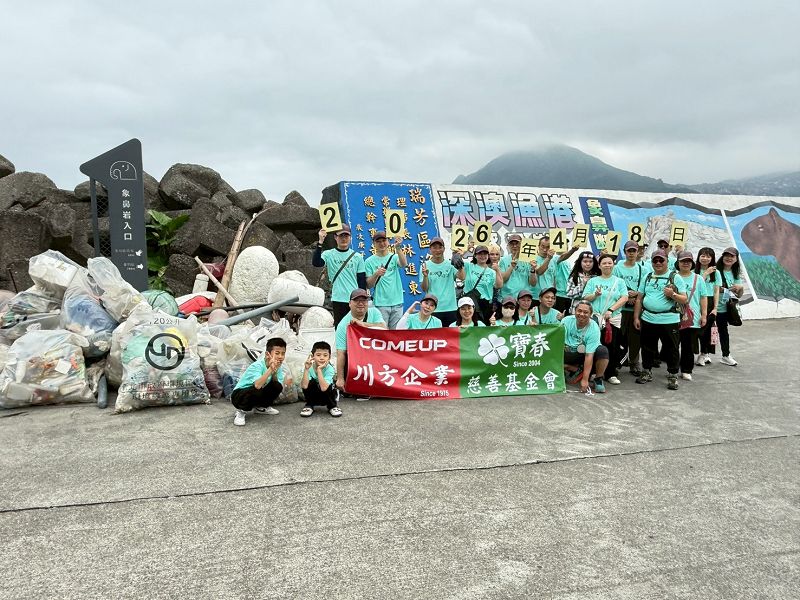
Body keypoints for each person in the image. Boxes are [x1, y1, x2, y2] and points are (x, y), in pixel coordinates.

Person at [633, 249, 689, 390]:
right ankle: (646, 371)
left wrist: (673, 294)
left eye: (661, 260)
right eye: (655, 260)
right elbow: (639, 298)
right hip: (648, 318)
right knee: (647, 347)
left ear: (667, 261)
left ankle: (672, 374)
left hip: (669, 319)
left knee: (672, 349)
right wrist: (636, 317)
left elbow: (684, 298)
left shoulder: (675, 277)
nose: (658, 263)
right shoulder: (647, 276)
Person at [582, 253, 629, 384]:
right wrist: (595, 295)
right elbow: (585, 297)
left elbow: (624, 297)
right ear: (599, 266)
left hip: (612, 319)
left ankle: (611, 373)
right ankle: (594, 372)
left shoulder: (619, 281)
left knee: (612, 346)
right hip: (596, 319)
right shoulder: (593, 281)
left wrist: (611, 310)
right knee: (595, 345)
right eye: (604, 263)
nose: (607, 265)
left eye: (610, 262)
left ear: (613, 264)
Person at [231, 337, 293, 427]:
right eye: (277, 353)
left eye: (283, 354)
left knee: (277, 386)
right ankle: (240, 412)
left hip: (256, 390)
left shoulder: (278, 365)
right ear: (268, 354)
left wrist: (274, 372)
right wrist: (270, 370)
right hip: (239, 395)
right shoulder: (257, 366)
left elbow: (276, 383)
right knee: (257, 389)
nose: (280, 356)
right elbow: (257, 385)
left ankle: (261, 408)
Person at [314, 225, 367, 326]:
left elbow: (361, 281)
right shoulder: (329, 254)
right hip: (338, 298)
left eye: (346, 236)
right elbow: (317, 263)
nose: (344, 239)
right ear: (335, 237)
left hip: (355, 299)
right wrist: (320, 242)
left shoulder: (357, 257)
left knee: (356, 328)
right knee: (340, 328)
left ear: (350, 237)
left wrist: (363, 300)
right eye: (341, 236)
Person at [335, 289, 387, 393]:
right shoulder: (342, 325)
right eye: (356, 300)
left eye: (364, 300)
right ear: (350, 304)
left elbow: (384, 328)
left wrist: (363, 325)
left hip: (376, 356)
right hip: (357, 362)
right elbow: (341, 353)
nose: (361, 303)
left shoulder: (374, 312)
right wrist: (340, 378)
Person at [614, 240, 650, 376]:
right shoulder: (617, 268)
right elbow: (615, 285)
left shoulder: (644, 270)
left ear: (638, 252)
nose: (631, 253)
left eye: (634, 250)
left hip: (636, 309)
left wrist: (636, 297)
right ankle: (616, 362)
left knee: (635, 338)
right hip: (620, 308)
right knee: (618, 338)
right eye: (629, 250)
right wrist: (626, 297)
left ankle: (634, 364)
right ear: (625, 252)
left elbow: (645, 289)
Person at [562, 301, 610, 393]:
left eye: (586, 312)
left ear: (590, 314)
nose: (582, 314)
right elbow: (558, 342)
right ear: (574, 311)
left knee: (602, 351)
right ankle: (569, 368)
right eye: (579, 311)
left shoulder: (594, 328)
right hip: (567, 352)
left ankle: (598, 379)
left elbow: (589, 355)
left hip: (583, 355)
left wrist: (585, 380)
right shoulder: (566, 321)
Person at [364, 230, 408, 329]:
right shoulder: (369, 261)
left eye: (384, 240)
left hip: (397, 303)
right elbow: (369, 285)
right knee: (381, 333)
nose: (382, 243)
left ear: (388, 241)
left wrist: (398, 248)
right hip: (380, 304)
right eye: (378, 241)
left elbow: (404, 264)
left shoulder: (394, 257)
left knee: (395, 334)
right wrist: (376, 274)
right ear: (374, 244)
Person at [675, 251, 707, 380]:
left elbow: (703, 297)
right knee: (673, 345)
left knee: (688, 345)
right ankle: (673, 368)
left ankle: (686, 369)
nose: (686, 263)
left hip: (691, 317)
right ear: (678, 263)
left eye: (688, 261)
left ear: (692, 263)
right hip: (674, 316)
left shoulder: (698, 278)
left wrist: (704, 315)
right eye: (683, 261)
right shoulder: (673, 277)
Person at [420, 236, 465, 327]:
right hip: (433, 308)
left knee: (451, 338)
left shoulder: (450, 264)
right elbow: (424, 288)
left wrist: (460, 264)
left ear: (444, 249)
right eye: (434, 248)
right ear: (430, 250)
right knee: (434, 338)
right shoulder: (425, 265)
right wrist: (425, 276)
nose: (437, 250)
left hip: (451, 307)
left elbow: (462, 277)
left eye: (440, 247)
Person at [715, 247, 744, 366]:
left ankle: (725, 355)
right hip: (715, 307)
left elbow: (738, 295)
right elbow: (712, 288)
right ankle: (704, 354)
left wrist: (740, 289)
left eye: (732, 256)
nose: (728, 258)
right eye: (726, 255)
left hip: (727, 308)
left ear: (736, 259)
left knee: (723, 332)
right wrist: (725, 289)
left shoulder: (735, 273)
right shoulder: (716, 271)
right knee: (707, 332)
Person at [462, 245, 503, 324]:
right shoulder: (469, 266)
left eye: (485, 254)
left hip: (486, 304)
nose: (483, 256)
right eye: (480, 254)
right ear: (475, 255)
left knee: (484, 328)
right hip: (470, 302)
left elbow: (499, 285)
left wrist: (497, 270)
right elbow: (456, 262)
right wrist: (465, 250)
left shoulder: (491, 272)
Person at [534, 236, 580, 306]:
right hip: (536, 296)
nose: (545, 249)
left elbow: (563, 256)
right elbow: (539, 272)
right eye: (542, 246)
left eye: (548, 247)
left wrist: (573, 250)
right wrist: (548, 258)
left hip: (550, 296)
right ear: (538, 246)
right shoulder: (534, 259)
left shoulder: (554, 259)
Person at [300, 341, 342, 418]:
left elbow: (324, 388)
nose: (322, 358)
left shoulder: (330, 369)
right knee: (310, 382)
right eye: (318, 355)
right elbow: (304, 386)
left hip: (327, 395)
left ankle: (332, 406)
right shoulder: (309, 367)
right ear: (312, 356)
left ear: (329, 357)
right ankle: (309, 405)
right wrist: (306, 369)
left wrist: (319, 370)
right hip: (314, 395)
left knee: (328, 385)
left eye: (325, 355)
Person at [694, 247, 720, 366]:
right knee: (697, 330)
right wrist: (705, 274)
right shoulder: (694, 271)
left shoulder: (716, 272)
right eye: (703, 256)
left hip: (709, 302)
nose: (705, 258)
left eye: (708, 256)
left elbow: (716, 291)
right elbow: (695, 287)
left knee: (706, 331)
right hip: (696, 301)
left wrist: (715, 308)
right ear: (698, 257)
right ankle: (701, 353)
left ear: (712, 258)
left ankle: (703, 354)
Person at [499, 234, 538, 302]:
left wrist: (532, 269)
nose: (514, 246)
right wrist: (511, 267)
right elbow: (502, 280)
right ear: (508, 246)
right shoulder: (503, 260)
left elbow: (533, 283)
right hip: (507, 298)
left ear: (522, 245)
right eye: (512, 244)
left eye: (517, 243)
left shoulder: (529, 260)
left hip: (524, 299)